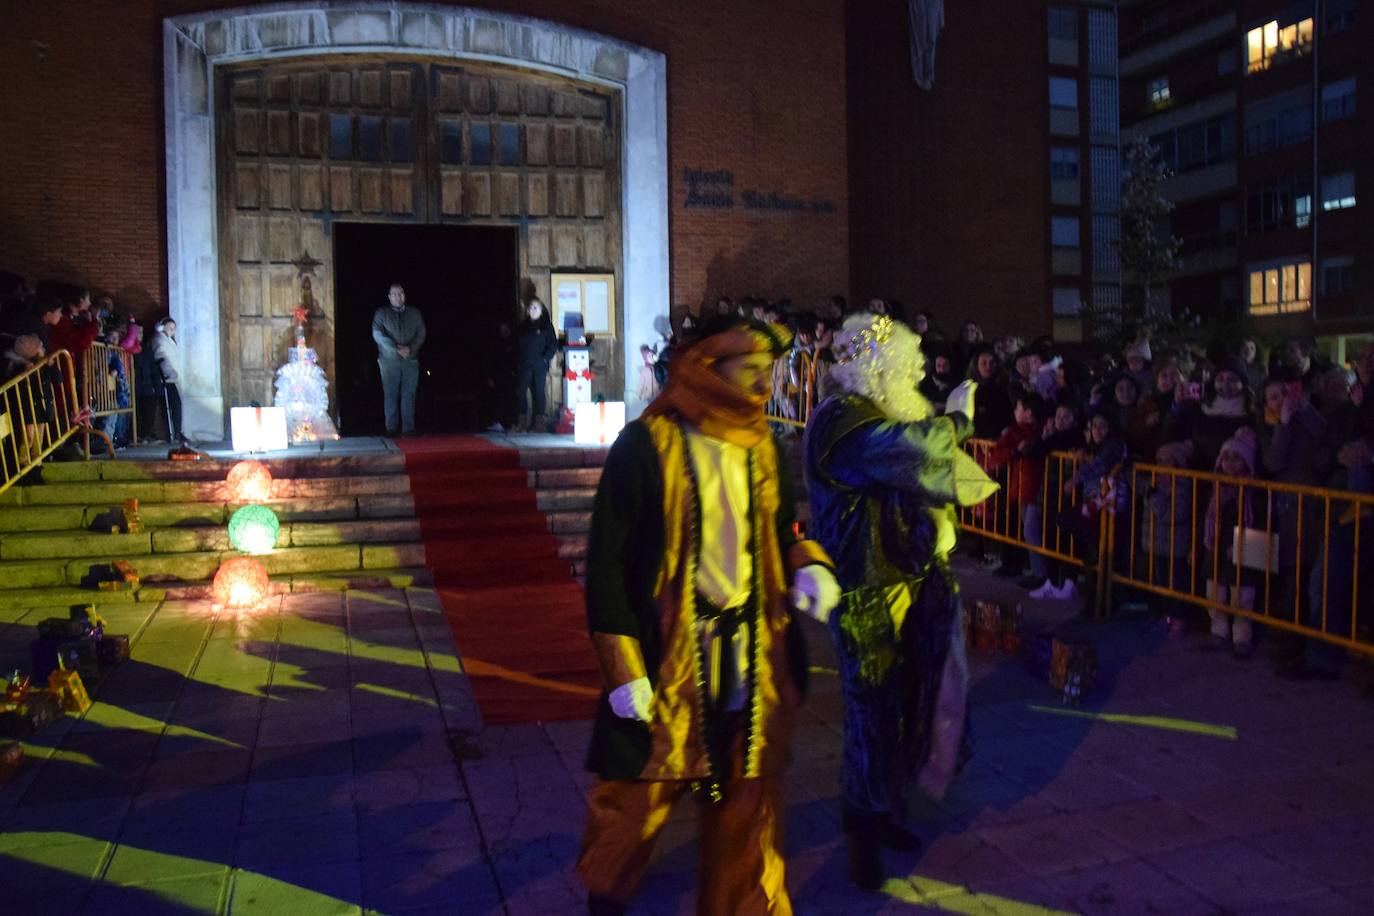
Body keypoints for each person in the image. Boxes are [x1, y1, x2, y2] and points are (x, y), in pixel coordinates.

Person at [577, 315, 837, 916]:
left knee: (747, 802)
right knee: (635, 802)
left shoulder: (765, 443)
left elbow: (779, 528)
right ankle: (605, 904)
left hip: (750, 652)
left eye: (768, 373)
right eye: (751, 371)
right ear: (706, 367)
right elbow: (607, 562)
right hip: (669, 655)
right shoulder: (645, 445)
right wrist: (624, 670)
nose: (764, 386)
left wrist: (807, 565)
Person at [804, 313, 995, 889]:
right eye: (906, 364)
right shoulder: (844, 420)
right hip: (865, 591)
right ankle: (862, 831)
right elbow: (909, 449)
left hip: (908, 584)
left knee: (911, 700)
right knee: (871, 712)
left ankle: (887, 812)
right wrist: (957, 420)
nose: (916, 373)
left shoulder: (880, 411)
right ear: (877, 366)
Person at [371, 282, 426, 436]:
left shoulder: (414, 313)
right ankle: (391, 428)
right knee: (390, 392)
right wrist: (395, 348)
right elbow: (377, 334)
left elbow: (421, 333)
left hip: (410, 358)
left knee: (409, 393)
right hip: (389, 360)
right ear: (389, 297)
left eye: (400, 293)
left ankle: (408, 428)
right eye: (394, 294)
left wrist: (410, 348)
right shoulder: (381, 313)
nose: (398, 296)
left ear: (404, 295)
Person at [514, 298, 557, 432]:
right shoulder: (523, 326)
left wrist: (545, 359)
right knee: (520, 392)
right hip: (524, 364)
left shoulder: (546, 325)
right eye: (530, 307)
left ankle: (538, 424)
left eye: (535, 308)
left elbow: (553, 344)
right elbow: (516, 344)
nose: (532, 310)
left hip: (539, 364)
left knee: (538, 392)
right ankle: (522, 423)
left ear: (541, 310)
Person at [151, 318, 185, 443]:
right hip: (165, 378)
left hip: (171, 378)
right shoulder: (159, 340)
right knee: (171, 405)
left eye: (174, 328)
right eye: (170, 327)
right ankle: (173, 432)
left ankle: (177, 431)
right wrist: (169, 372)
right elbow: (161, 357)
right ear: (162, 326)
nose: (172, 331)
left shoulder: (169, 341)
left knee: (176, 404)